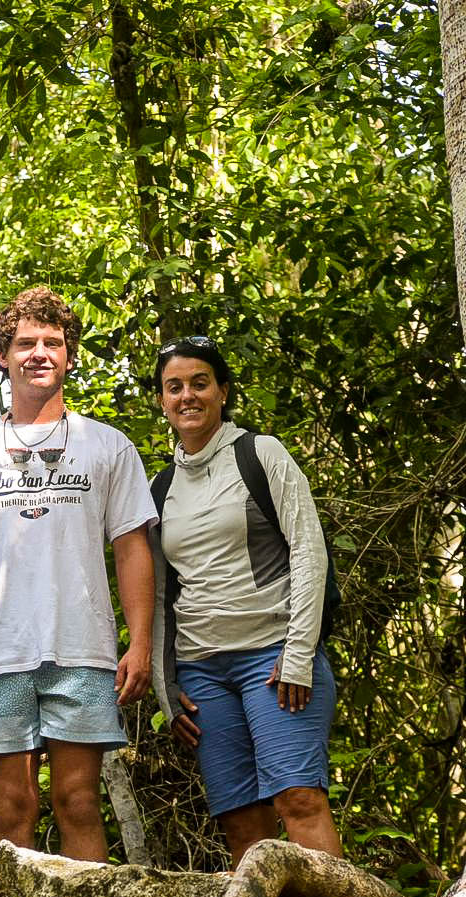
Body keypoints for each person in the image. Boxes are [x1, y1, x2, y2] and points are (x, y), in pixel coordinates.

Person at [0, 286, 156, 885]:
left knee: (78, 801)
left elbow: (132, 547)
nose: (39, 353)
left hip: (82, 650)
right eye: (25, 343)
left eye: (52, 343)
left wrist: (140, 643)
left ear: (70, 356)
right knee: (12, 809)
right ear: (3, 356)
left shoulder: (107, 445)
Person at [148, 335, 343, 866]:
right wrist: (166, 689)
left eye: (199, 383)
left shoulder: (261, 454)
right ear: (162, 401)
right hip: (201, 672)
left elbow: (309, 550)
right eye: (174, 387)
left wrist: (300, 654)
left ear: (223, 391)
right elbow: (161, 595)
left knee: (298, 799)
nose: (187, 395)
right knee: (241, 822)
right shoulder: (160, 488)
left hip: (273, 657)